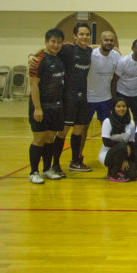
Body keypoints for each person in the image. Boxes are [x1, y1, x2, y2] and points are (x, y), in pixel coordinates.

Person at [28, 28, 66, 184]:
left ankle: (47, 169)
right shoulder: (38, 60)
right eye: (52, 42)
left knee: (50, 138)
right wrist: (37, 108)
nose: (55, 45)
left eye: (58, 42)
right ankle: (34, 172)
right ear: (46, 42)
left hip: (56, 107)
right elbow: (33, 86)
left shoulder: (59, 57)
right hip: (41, 107)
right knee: (39, 138)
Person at [54, 22, 93, 174]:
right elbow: (48, 50)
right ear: (75, 36)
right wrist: (32, 55)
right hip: (68, 98)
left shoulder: (90, 51)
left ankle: (75, 162)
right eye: (81, 34)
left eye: (87, 34)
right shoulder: (67, 50)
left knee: (79, 130)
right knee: (63, 131)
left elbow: (95, 47)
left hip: (83, 97)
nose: (84, 37)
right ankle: (55, 164)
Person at [98, 98, 137, 182]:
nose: (121, 109)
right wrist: (124, 147)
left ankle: (120, 169)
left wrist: (126, 159)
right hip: (107, 154)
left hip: (124, 153)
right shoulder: (108, 121)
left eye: (124, 106)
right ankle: (113, 173)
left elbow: (131, 142)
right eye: (118, 106)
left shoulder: (131, 123)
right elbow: (106, 142)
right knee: (122, 145)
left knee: (132, 174)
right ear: (114, 108)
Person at [87, 30, 120, 126]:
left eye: (111, 40)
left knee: (106, 126)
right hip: (89, 98)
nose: (109, 42)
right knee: (83, 127)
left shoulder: (116, 55)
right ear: (100, 41)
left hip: (106, 98)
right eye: (106, 40)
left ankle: (105, 142)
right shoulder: (91, 53)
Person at [112, 38, 137, 120]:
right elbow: (114, 80)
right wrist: (114, 98)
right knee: (122, 119)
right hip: (122, 94)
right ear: (132, 48)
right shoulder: (123, 62)